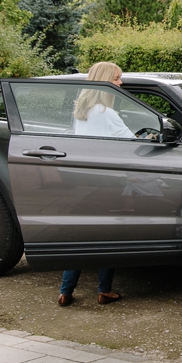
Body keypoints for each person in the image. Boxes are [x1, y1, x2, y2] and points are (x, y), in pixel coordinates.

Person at [58, 61, 129, 307]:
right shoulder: (107, 114)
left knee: (80, 236)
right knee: (108, 237)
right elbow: (131, 144)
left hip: (84, 182)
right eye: (116, 79)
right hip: (107, 184)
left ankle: (66, 291)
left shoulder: (82, 113)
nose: (120, 83)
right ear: (104, 82)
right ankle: (104, 290)